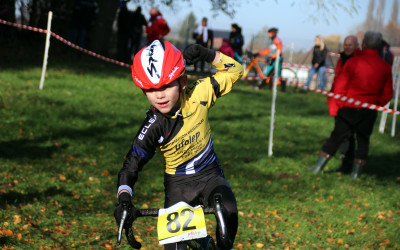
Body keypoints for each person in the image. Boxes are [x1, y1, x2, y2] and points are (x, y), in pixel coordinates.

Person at [113, 40, 243, 250]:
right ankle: (202, 243)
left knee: (229, 213)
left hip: (210, 175)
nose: (159, 95)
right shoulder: (154, 125)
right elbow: (131, 166)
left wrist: (206, 53)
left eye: (166, 85)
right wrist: (124, 199)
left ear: (182, 81)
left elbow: (235, 71)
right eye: (150, 89)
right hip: (178, 186)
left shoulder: (198, 94)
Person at [309, 31, 393, 180]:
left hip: (348, 107)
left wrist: (341, 103)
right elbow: (387, 93)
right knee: (363, 141)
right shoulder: (385, 67)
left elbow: (340, 85)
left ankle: (317, 168)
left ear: (364, 44)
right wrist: (374, 104)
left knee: (336, 138)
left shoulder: (353, 62)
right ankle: (356, 174)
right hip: (369, 110)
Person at [327, 35, 361, 174]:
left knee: (346, 135)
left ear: (356, 46)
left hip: (351, 103)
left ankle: (348, 165)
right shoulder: (342, 59)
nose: (347, 47)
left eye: (350, 45)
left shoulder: (358, 61)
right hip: (338, 101)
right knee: (343, 135)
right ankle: (345, 163)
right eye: (345, 44)